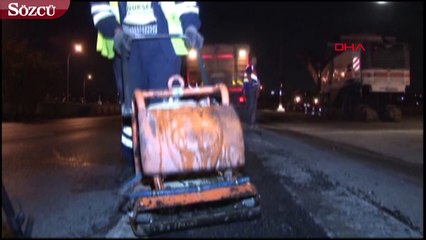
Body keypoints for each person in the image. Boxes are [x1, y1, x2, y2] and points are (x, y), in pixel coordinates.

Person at [90, 1, 204, 180]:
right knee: (132, 109)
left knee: (163, 109)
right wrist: (114, 30)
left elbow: (186, 4)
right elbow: (100, 7)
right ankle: (132, 163)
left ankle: (165, 164)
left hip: (163, 46)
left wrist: (190, 26)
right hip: (127, 47)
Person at [243, 56, 260, 128]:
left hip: (253, 90)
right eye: (254, 60)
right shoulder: (249, 67)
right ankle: (249, 123)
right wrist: (254, 85)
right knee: (251, 106)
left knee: (253, 107)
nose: (255, 62)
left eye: (256, 60)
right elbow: (248, 77)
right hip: (250, 90)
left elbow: (255, 80)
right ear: (251, 61)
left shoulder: (254, 69)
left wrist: (257, 88)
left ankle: (252, 123)